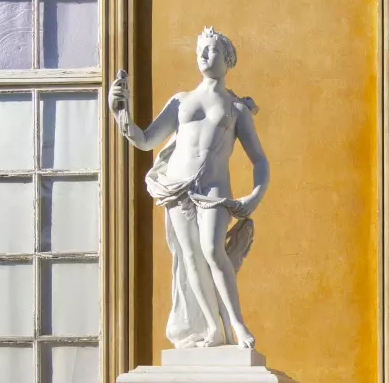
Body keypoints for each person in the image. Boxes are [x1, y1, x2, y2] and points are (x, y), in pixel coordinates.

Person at [107, 27, 270, 349]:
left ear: (228, 59)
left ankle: (238, 326)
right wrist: (120, 113)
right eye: (200, 51)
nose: (204, 56)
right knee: (191, 257)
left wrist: (255, 195)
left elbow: (259, 160)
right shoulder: (181, 101)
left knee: (212, 250)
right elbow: (145, 140)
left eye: (211, 51)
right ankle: (213, 328)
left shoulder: (236, 108)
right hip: (176, 187)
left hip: (212, 189)